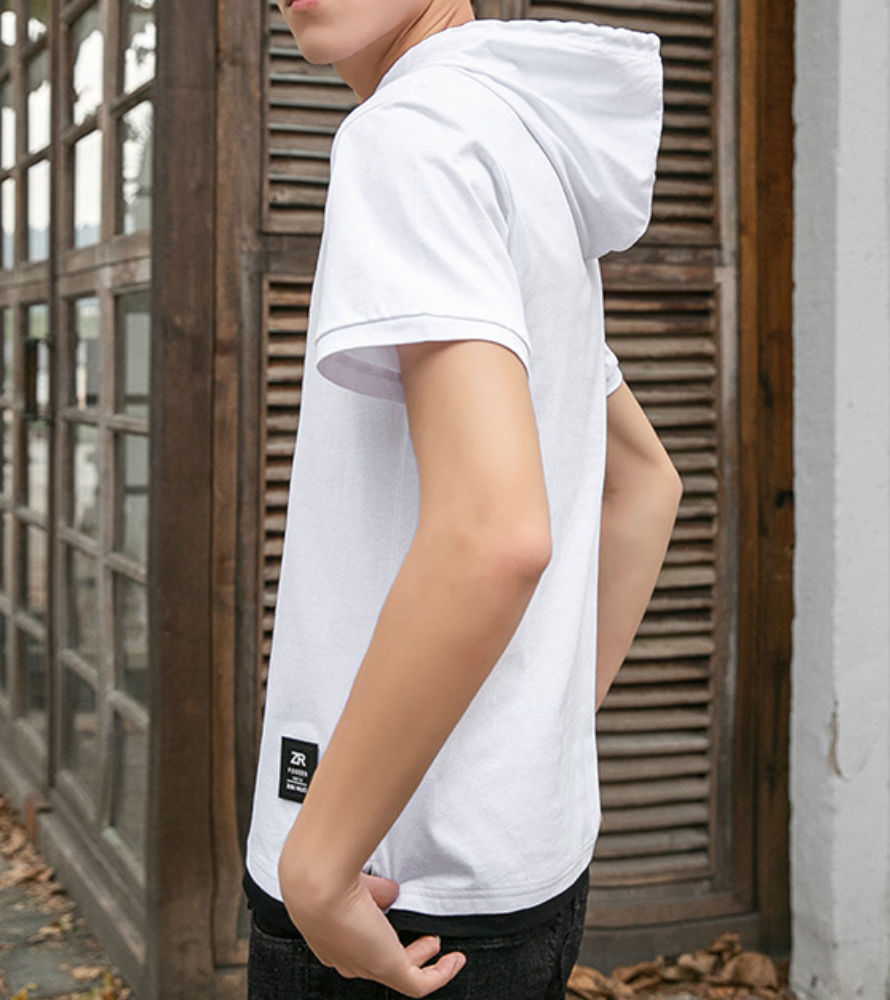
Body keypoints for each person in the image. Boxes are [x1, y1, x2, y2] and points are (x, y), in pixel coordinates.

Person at [243, 2, 682, 997]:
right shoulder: (522, 146)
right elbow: (643, 484)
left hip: (394, 885)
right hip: (515, 868)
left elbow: (493, 535)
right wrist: (527, 739)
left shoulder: (410, 132)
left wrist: (317, 868)